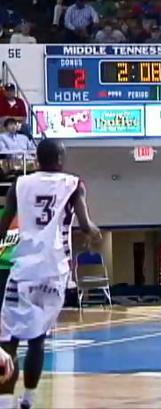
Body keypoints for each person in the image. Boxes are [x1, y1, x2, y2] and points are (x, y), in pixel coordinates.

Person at [0, 139, 101, 409]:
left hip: (24, 270)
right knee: (37, 339)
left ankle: (5, 401)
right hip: (55, 271)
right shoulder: (73, 184)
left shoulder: (19, 184)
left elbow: (3, 226)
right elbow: (84, 223)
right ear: (59, 158)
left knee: (8, 340)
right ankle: (28, 400)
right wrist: (93, 232)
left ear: (37, 159)